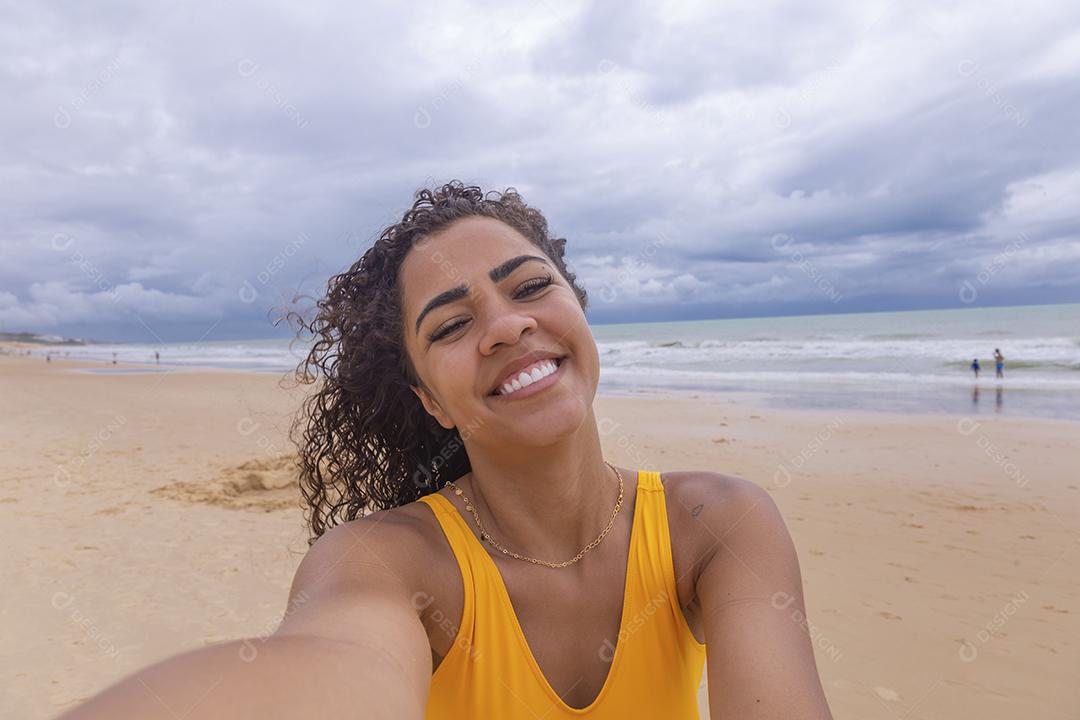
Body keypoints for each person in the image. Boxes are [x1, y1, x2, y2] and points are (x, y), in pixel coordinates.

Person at [59, 182, 833, 719]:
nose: (505, 326)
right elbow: (328, 667)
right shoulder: (385, 564)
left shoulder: (717, 525)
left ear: (577, 309)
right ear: (429, 398)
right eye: (451, 325)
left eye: (530, 287)